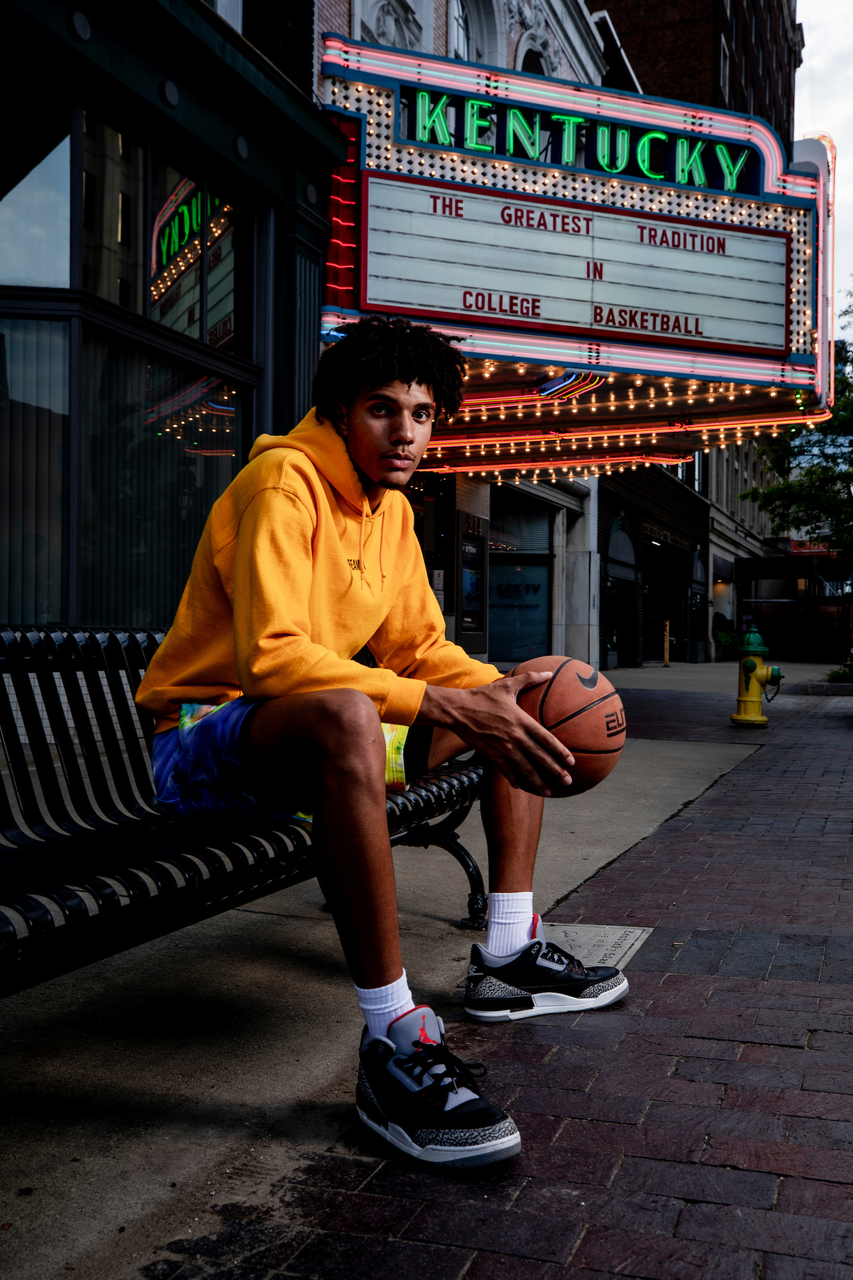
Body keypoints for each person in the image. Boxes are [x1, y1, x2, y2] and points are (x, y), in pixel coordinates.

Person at [136, 315, 627, 1169]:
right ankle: (395, 1038)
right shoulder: (278, 485)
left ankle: (508, 952)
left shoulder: (389, 512)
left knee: (516, 699)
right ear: (337, 411)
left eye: (424, 414)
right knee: (355, 713)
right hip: (202, 738)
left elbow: (419, 651)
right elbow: (270, 657)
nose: (407, 433)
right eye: (382, 410)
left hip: (310, 742)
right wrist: (436, 701)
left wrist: (493, 691)